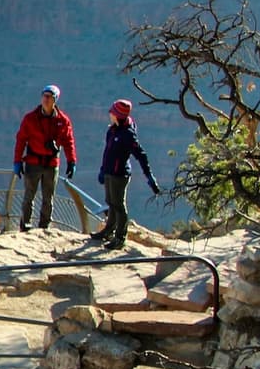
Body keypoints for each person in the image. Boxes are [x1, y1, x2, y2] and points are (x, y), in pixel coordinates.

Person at [90, 99, 161, 248]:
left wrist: (149, 176)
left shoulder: (128, 134)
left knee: (119, 205)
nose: (110, 113)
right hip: (109, 172)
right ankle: (108, 231)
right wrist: (103, 170)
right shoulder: (112, 130)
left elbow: (141, 155)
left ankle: (120, 237)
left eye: (112, 112)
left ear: (118, 115)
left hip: (120, 175)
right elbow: (107, 153)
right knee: (110, 202)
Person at [13, 84, 77, 231]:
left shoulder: (63, 120)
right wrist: (17, 161)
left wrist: (71, 161)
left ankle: (44, 226)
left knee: (48, 197)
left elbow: (69, 142)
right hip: (33, 162)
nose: (46, 99)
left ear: (55, 100)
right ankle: (25, 225)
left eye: (49, 97)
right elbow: (21, 140)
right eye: (44, 96)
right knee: (29, 196)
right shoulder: (30, 118)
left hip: (51, 163)